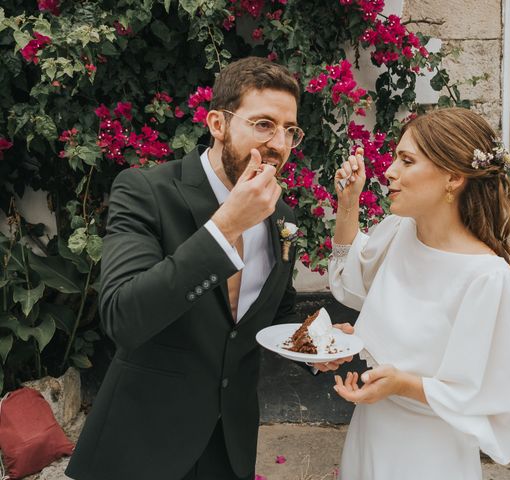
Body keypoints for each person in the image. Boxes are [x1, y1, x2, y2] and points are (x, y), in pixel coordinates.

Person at [66, 57, 348, 480]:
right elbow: (124, 317)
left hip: (229, 444)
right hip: (142, 440)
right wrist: (227, 225)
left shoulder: (281, 213)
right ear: (217, 124)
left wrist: (317, 347)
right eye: (264, 124)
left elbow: (276, 312)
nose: (280, 143)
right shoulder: (146, 190)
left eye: (290, 130)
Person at [328, 108, 510, 479]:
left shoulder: (487, 279)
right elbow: (350, 282)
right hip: (370, 432)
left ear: (453, 178)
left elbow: (496, 396)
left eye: (407, 161)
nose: (390, 171)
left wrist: (402, 384)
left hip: (429, 452)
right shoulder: (398, 231)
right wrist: (348, 205)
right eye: (395, 158)